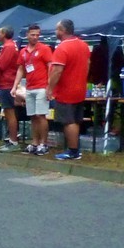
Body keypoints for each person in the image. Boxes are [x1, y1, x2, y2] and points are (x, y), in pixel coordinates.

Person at [46, 19, 91, 160]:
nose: (55, 32)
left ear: (62, 31)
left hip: (66, 89)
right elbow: (88, 64)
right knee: (76, 119)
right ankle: (74, 148)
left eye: (57, 29)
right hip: (80, 87)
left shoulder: (62, 48)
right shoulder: (83, 45)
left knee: (68, 121)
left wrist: (50, 88)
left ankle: (73, 150)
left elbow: (57, 71)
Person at [11, 24, 53, 155]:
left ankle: (43, 143)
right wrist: (15, 85)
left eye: (37, 35)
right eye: (32, 35)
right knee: (33, 116)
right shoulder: (23, 51)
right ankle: (35, 142)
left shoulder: (44, 49)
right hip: (29, 87)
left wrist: (50, 86)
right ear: (27, 35)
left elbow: (50, 66)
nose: (35, 37)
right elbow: (21, 69)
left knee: (41, 115)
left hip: (41, 86)